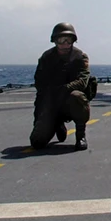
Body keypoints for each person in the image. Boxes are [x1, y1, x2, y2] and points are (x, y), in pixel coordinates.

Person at [31, 23, 92, 151]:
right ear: (54, 41)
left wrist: (63, 89)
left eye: (68, 40)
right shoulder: (46, 57)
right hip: (51, 100)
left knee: (77, 97)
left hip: (70, 99)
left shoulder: (80, 57)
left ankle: (80, 135)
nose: (65, 44)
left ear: (73, 41)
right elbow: (39, 82)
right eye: (61, 40)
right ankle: (57, 123)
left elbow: (82, 81)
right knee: (37, 142)